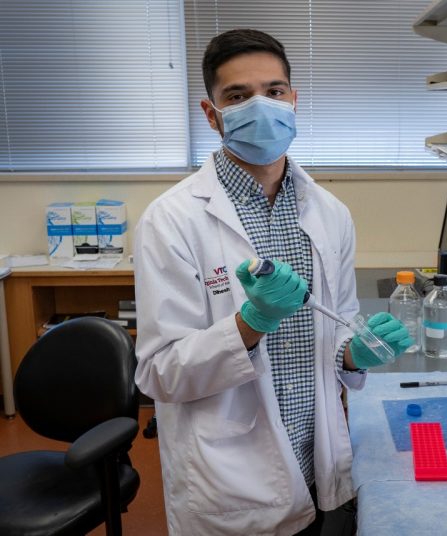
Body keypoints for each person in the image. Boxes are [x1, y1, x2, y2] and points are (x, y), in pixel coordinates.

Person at [134, 28, 412, 535]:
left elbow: (337, 331)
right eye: (238, 96)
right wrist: (251, 322)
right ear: (211, 113)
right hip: (229, 480)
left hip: (313, 457)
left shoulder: (330, 213)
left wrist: (356, 353)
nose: (261, 105)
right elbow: (159, 374)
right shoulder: (170, 220)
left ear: (293, 99)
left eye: (274, 91)